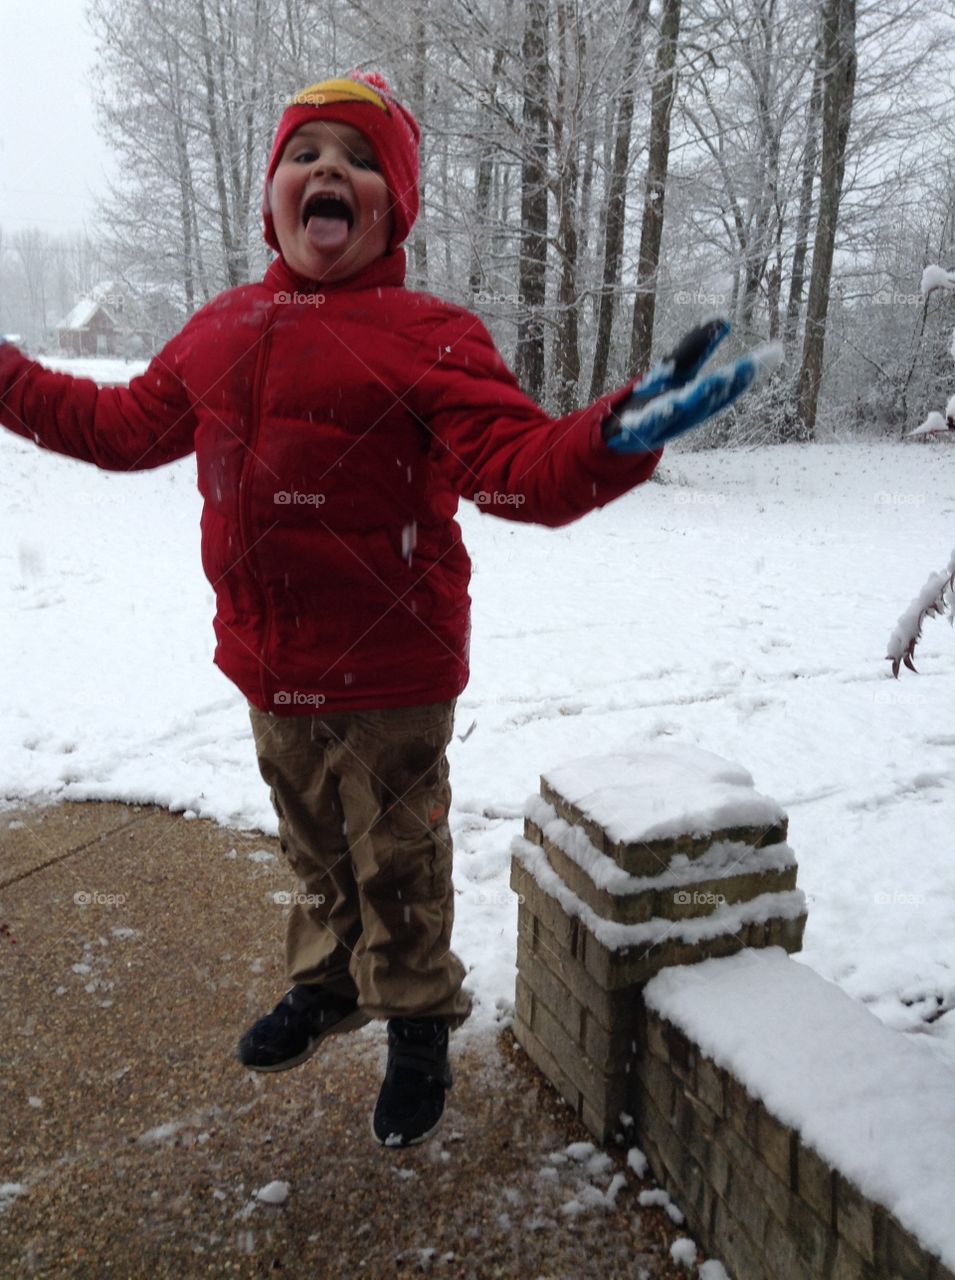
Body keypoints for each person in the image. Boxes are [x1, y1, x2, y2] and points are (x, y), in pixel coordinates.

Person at [0, 70, 778, 1148]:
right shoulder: (221, 329)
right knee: (314, 845)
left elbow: (518, 467)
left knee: (396, 859)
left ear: (394, 206)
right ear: (272, 193)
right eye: (307, 152)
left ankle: (415, 1016)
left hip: (395, 676)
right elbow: (115, 425)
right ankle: (327, 982)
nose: (332, 170)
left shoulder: (430, 335)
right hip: (268, 665)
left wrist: (612, 435)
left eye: (362, 159)